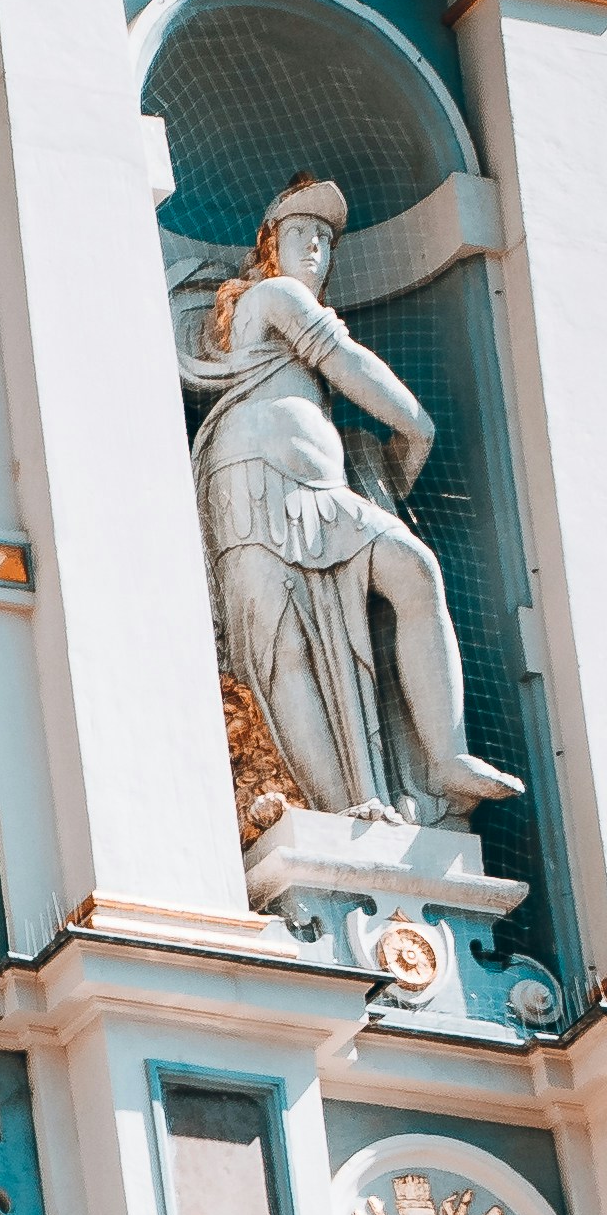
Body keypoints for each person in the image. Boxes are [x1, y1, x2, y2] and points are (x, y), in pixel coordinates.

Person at [174, 174, 520, 825]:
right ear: (270, 247)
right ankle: (343, 809)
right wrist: (416, 424)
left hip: (321, 497)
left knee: (416, 571)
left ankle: (446, 757)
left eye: (326, 241)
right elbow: (347, 364)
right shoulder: (273, 297)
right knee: (284, 653)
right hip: (253, 490)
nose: (314, 251)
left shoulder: (291, 308)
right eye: (300, 234)